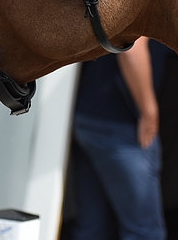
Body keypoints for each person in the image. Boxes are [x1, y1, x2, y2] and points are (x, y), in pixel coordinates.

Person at [65, 36, 168, 240]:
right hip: (121, 125)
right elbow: (131, 48)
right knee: (144, 233)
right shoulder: (147, 4)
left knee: (91, 227)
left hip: (89, 115)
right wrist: (149, 111)